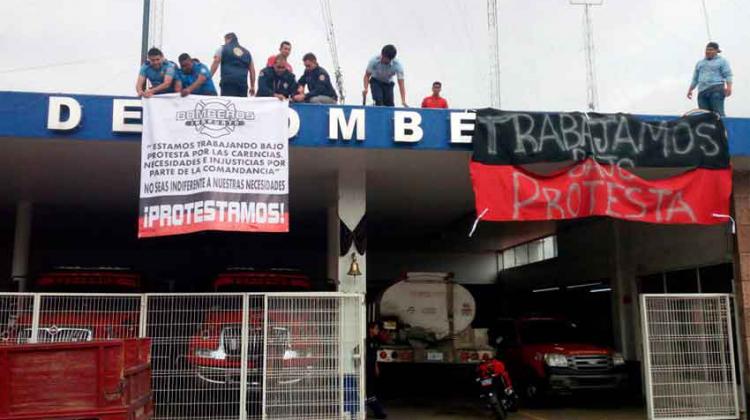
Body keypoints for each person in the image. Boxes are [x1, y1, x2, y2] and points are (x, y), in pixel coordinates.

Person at [687, 42, 733, 116]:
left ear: (716, 51)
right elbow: (695, 78)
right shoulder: (700, 63)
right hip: (702, 91)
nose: (708, 52)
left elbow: (728, 75)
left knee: (718, 113)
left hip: (716, 90)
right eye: (707, 50)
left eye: (711, 50)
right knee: (704, 115)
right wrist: (690, 90)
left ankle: (723, 127)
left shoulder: (722, 61)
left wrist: (729, 87)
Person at [210, 32, 256, 97]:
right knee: (240, 105)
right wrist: (252, 86)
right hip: (242, 84)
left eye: (225, 41)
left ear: (228, 39)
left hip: (228, 83)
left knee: (228, 105)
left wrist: (209, 77)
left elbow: (216, 62)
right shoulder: (247, 53)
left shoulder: (222, 48)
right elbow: (252, 70)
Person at [366, 322, 387, 419]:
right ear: (370, 329)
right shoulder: (366, 341)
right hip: (366, 369)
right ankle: (378, 411)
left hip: (371, 368)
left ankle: (377, 409)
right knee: (369, 390)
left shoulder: (374, 341)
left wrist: (376, 367)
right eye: (376, 329)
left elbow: (374, 357)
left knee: (371, 389)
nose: (377, 331)